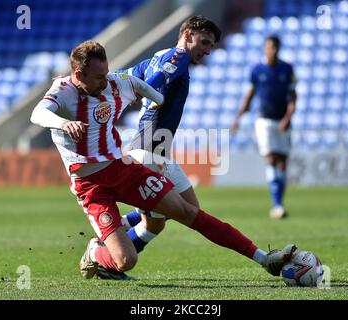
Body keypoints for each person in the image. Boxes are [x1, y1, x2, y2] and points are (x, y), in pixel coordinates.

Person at [30, 40, 297, 281]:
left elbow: (136, 84)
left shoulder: (113, 82)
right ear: (78, 75)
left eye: (106, 73)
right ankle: (95, 253)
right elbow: (38, 114)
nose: (105, 80)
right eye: (98, 76)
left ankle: (264, 258)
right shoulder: (64, 90)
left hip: (122, 169)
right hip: (90, 185)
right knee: (125, 261)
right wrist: (64, 124)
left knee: (187, 211)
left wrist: (155, 99)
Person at [116, 15, 221, 255]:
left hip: (160, 150)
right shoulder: (179, 56)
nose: (207, 51)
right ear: (187, 35)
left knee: (190, 208)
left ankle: (117, 228)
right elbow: (159, 78)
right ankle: (108, 250)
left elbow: (122, 75)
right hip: (148, 148)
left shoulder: (156, 57)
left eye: (211, 46)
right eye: (204, 42)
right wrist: (145, 91)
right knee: (157, 222)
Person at [232, 35, 297, 219]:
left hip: (283, 120)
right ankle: (277, 204)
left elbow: (293, 96)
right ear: (264, 49)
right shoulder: (257, 70)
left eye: (275, 47)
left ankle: (279, 202)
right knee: (271, 157)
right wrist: (238, 118)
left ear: (279, 48)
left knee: (282, 162)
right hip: (263, 119)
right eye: (269, 47)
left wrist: (288, 117)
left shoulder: (287, 69)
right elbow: (250, 95)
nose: (272, 50)